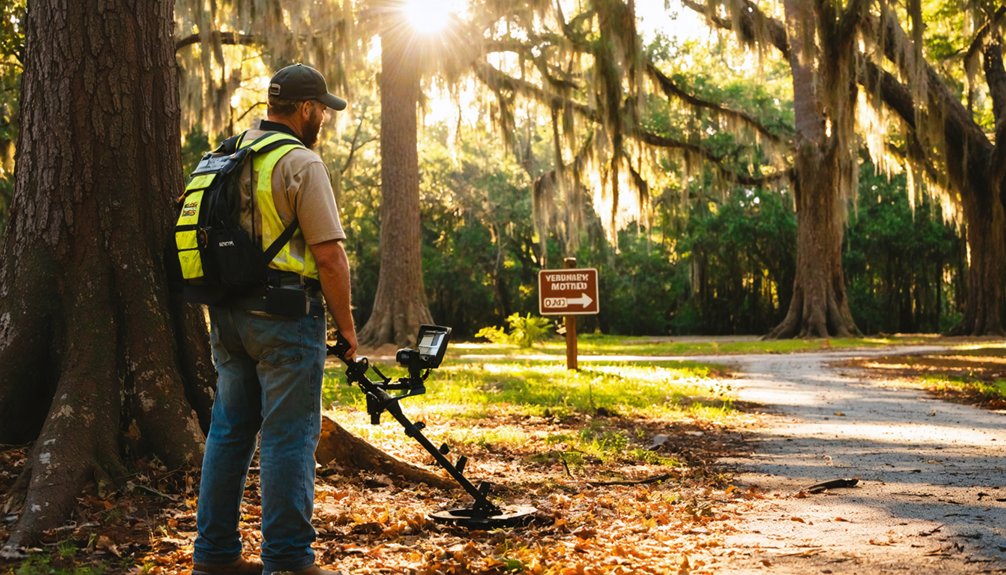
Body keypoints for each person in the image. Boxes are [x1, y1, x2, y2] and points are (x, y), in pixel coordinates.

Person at [192, 63, 358, 575]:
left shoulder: (226, 154)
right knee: (289, 437)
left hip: (227, 317)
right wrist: (348, 331)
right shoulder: (299, 162)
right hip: (286, 319)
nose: (323, 121)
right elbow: (329, 257)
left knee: (228, 432)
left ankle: (215, 555)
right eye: (321, 111)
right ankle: (287, 560)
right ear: (306, 109)